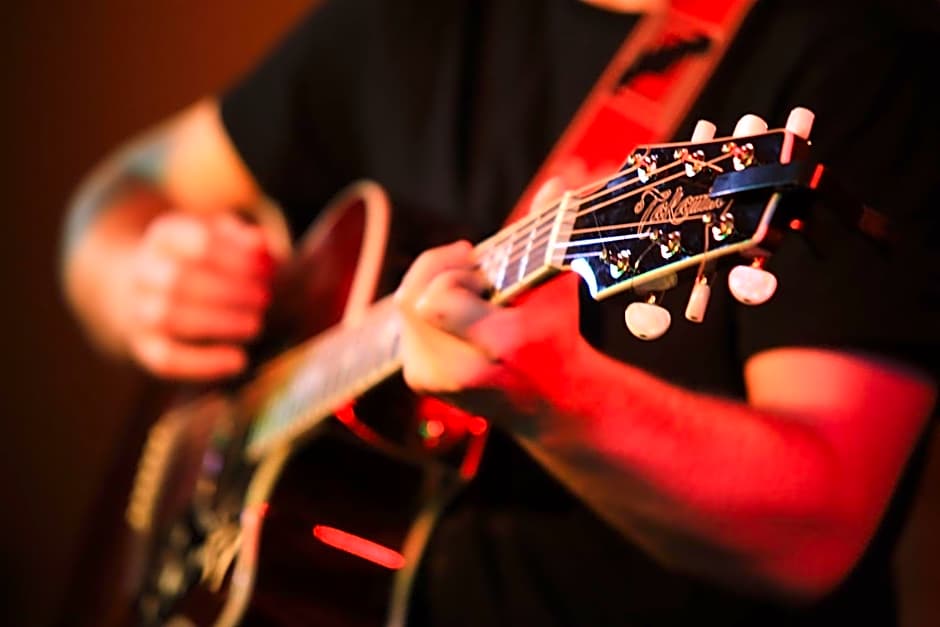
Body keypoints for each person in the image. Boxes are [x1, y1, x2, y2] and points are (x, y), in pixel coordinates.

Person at [61, 0, 939, 624]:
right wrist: (134, 274)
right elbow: (116, 196)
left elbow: (818, 534)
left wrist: (558, 397)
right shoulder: (400, 22)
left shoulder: (856, 60)